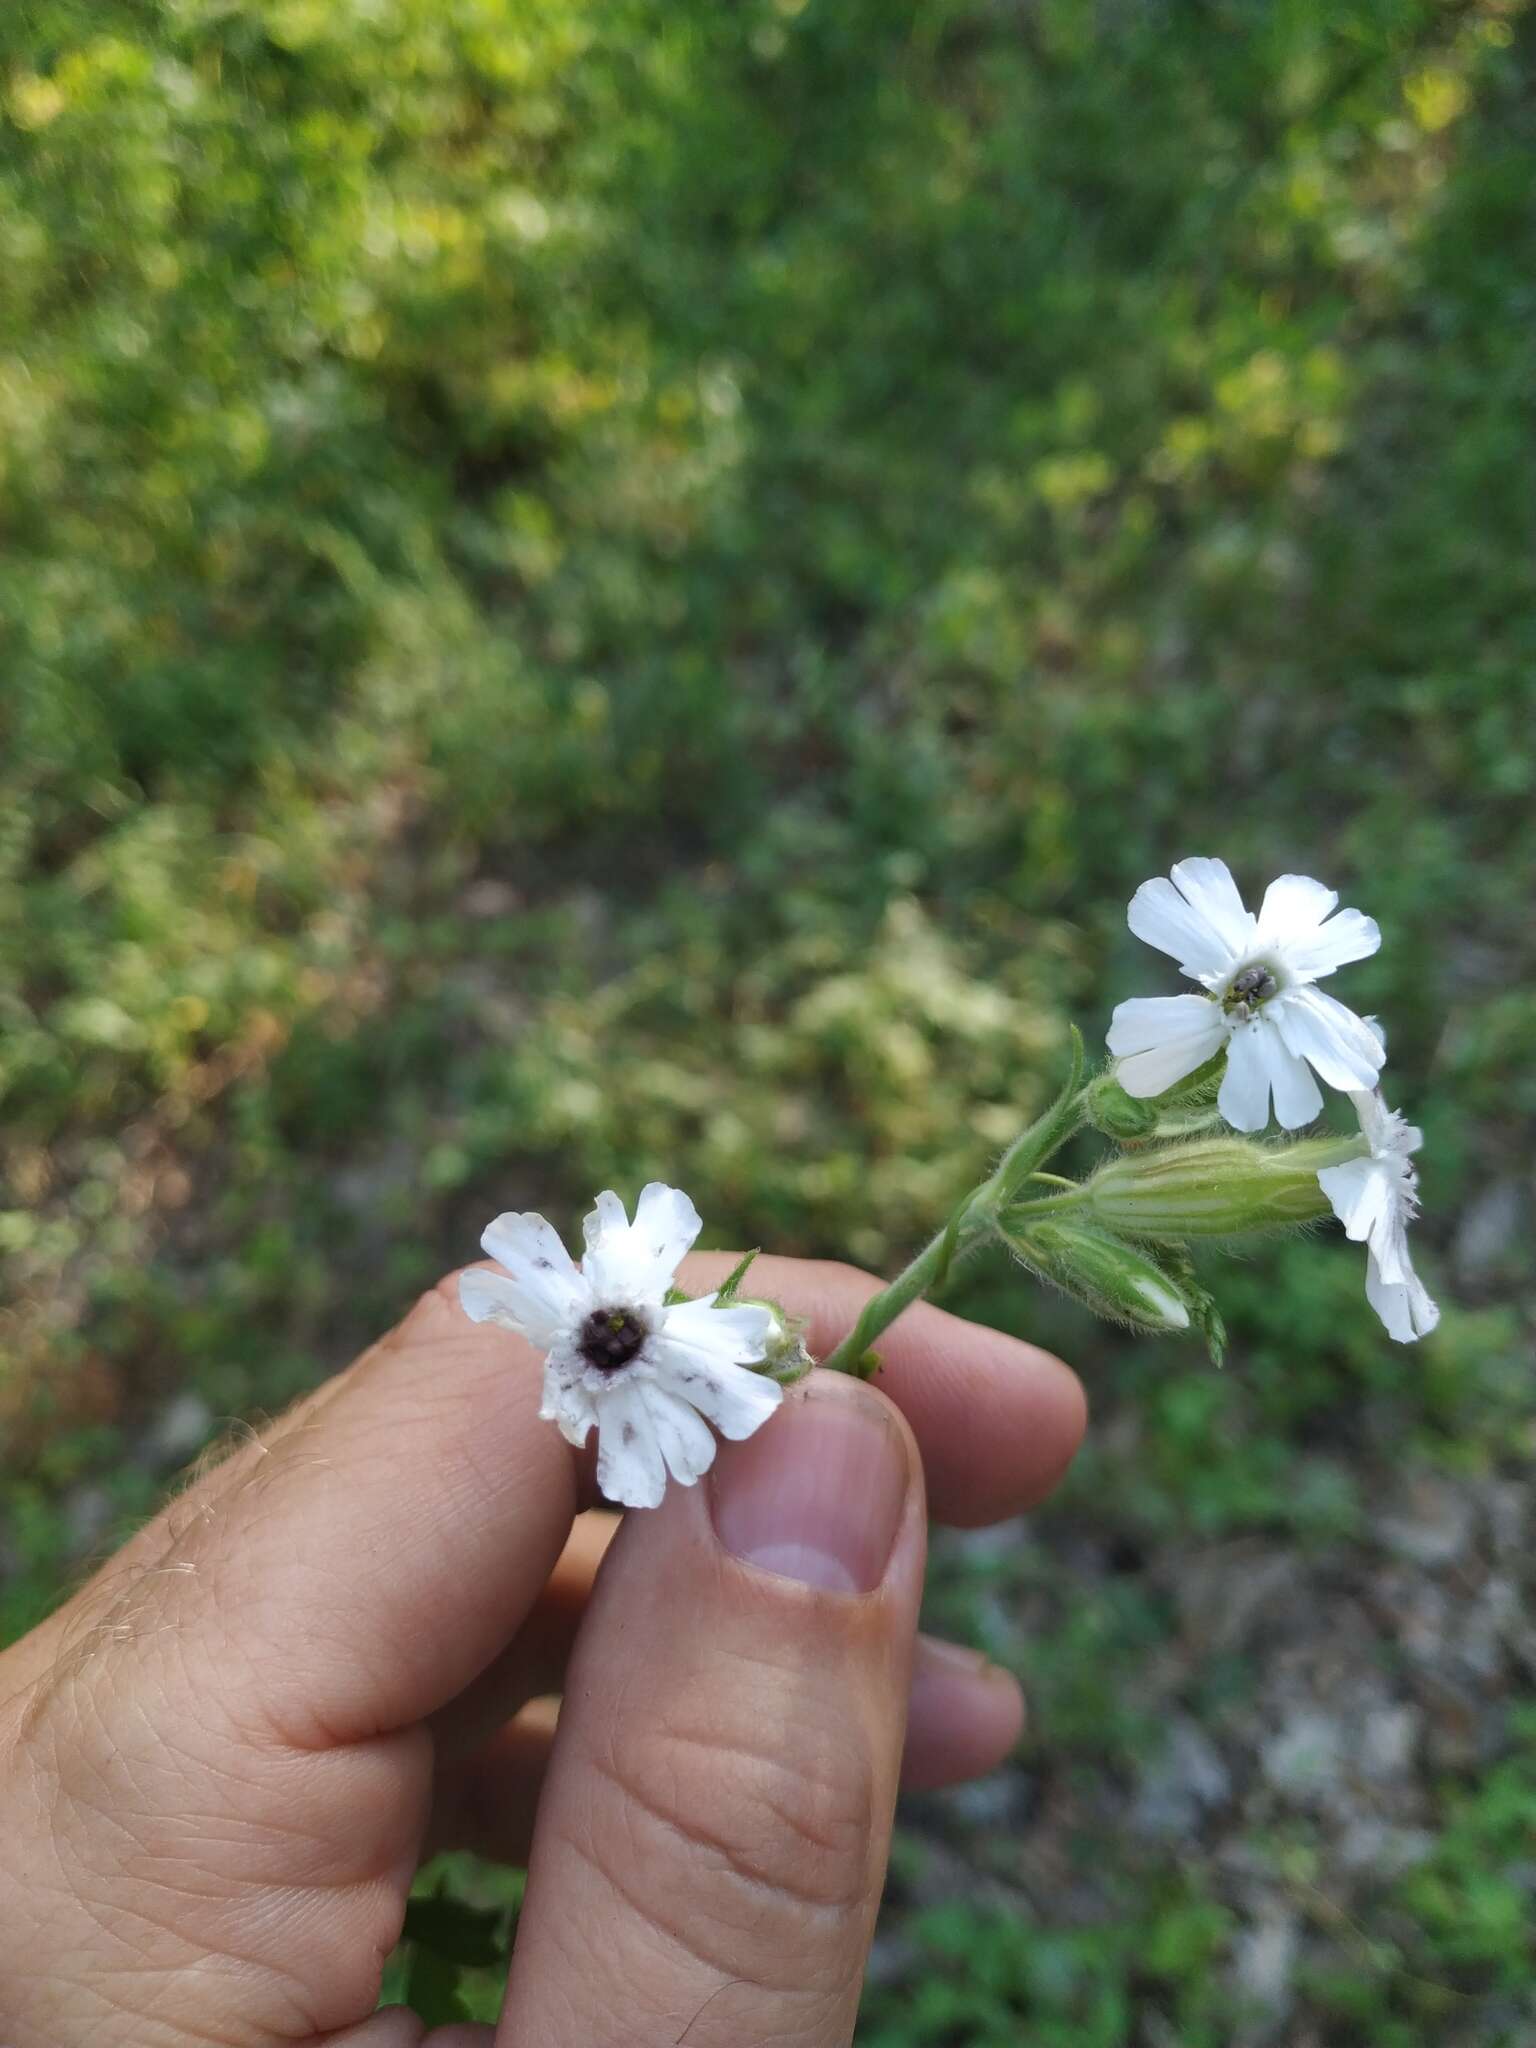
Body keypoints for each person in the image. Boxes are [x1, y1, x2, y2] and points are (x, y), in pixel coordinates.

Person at [0, 1252, 1085, 2047]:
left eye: (618, 1332)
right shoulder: (598, 1351)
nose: (611, 1341)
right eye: (606, 1337)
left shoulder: (631, 1338)